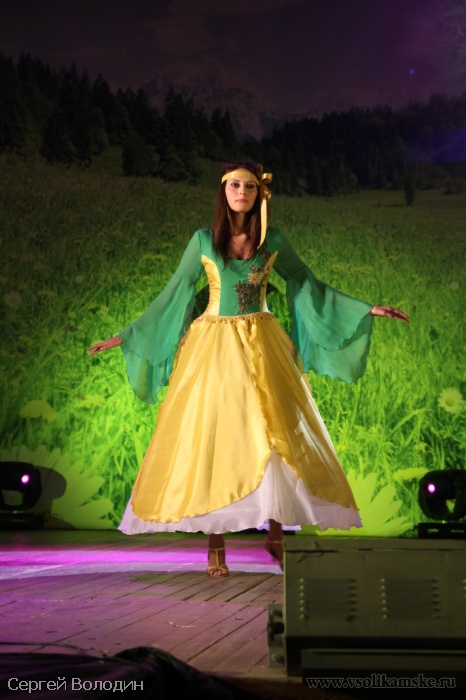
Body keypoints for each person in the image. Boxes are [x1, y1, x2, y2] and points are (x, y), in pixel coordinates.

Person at [88, 160, 409, 576]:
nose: (242, 192)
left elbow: (304, 281)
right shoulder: (204, 240)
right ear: (223, 191)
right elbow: (176, 290)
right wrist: (128, 335)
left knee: (273, 429)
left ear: (260, 194)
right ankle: (215, 543)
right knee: (216, 434)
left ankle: (275, 532)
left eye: (250, 186)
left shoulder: (273, 239)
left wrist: (366, 308)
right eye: (235, 185)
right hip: (215, 344)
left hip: (263, 340)